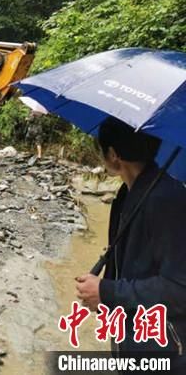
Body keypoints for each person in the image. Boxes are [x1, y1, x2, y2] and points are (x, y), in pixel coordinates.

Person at [76, 117, 186, 371]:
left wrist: (108, 291)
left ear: (113, 155)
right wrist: (104, 294)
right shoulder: (128, 195)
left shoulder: (169, 200)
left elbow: (180, 289)